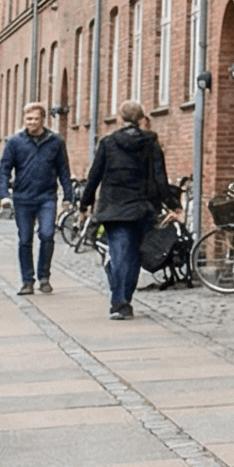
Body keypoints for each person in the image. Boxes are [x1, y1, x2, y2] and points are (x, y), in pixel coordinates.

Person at [77, 101, 177, 320]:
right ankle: (125, 301)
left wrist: (84, 204)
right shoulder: (150, 142)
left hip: (114, 207)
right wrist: (172, 203)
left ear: (120, 118)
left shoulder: (108, 143)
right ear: (142, 118)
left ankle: (119, 302)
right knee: (132, 255)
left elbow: (95, 175)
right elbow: (160, 176)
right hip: (142, 207)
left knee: (119, 253)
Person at [0, 104, 75, 294]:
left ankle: (44, 277)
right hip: (22, 198)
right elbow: (4, 169)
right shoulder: (16, 142)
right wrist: (4, 194)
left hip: (46, 197)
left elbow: (64, 170)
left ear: (43, 119)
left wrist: (68, 195)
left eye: (35, 118)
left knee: (47, 235)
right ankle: (27, 281)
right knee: (25, 239)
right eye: (28, 119)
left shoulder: (55, 141)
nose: (31, 122)